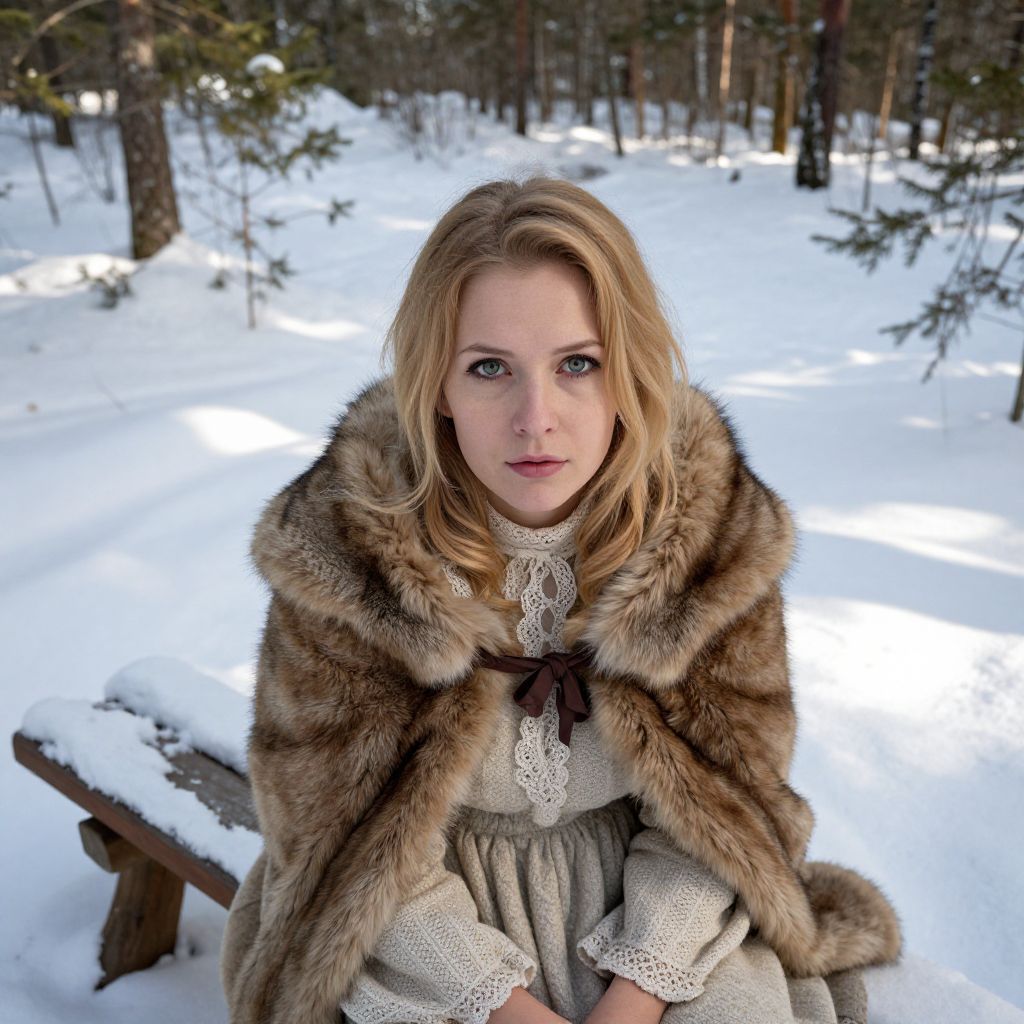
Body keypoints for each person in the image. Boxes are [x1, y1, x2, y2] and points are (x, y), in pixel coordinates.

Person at [219, 176, 901, 1024]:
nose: (534, 419)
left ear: (630, 373)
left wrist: (640, 988)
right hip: (411, 917)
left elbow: (730, 807)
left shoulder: (704, 542)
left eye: (577, 364)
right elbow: (331, 828)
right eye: (489, 369)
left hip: (654, 904)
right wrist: (505, 1007)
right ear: (435, 384)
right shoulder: (350, 555)